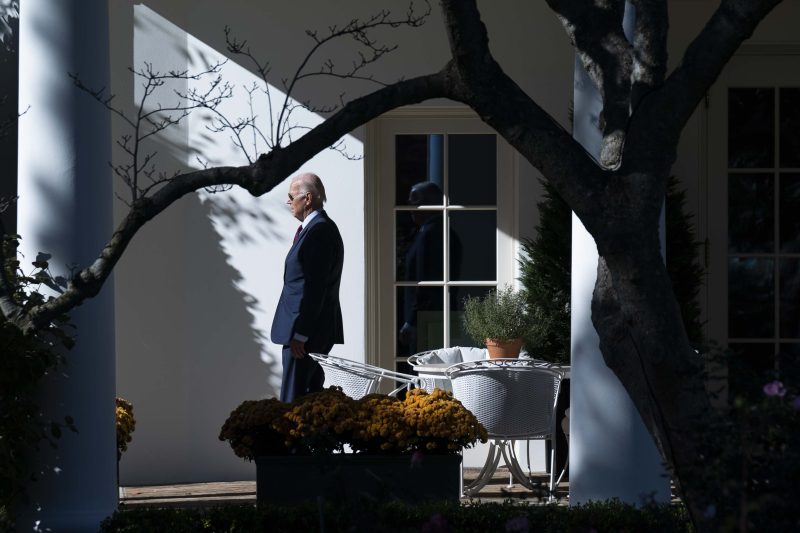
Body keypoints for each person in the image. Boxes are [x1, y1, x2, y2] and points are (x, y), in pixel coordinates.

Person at [271, 173, 344, 403]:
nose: (288, 201)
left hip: (305, 336)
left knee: (293, 404)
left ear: (308, 198)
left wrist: (301, 333)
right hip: (307, 333)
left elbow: (314, 288)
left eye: (291, 196)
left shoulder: (319, 231)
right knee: (308, 402)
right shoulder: (315, 229)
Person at [398, 181, 460, 353]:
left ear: (429, 204)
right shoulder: (438, 231)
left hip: (429, 322)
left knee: (427, 364)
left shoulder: (431, 234)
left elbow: (426, 283)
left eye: (414, 201)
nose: (410, 207)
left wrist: (412, 322)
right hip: (435, 319)